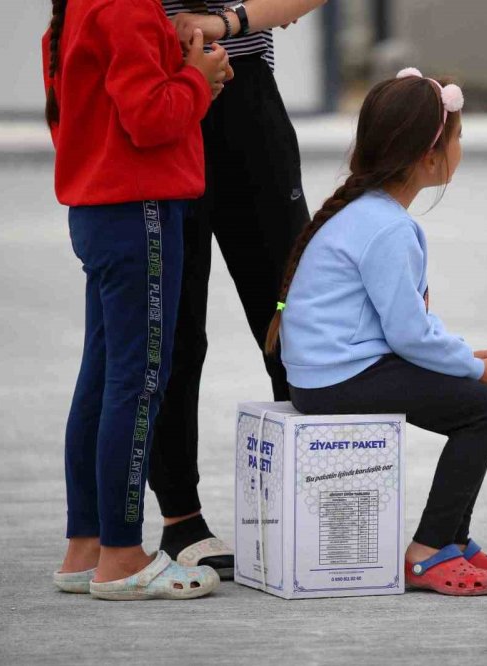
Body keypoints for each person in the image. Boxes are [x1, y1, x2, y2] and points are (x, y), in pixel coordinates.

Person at [268, 69, 487, 596]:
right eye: (457, 138)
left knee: (474, 395)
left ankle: (454, 540)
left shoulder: (367, 214)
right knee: (484, 409)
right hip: (339, 380)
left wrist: (462, 357)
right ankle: (431, 550)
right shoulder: (388, 228)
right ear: (430, 156)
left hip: (331, 372)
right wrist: (475, 368)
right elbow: (409, 336)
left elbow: (403, 330)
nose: (460, 148)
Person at [43, 0, 232, 600]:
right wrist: (197, 81)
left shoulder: (81, 6)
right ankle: (122, 555)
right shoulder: (126, 6)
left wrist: (182, 76)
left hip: (101, 208)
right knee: (141, 377)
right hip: (139, 208)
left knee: (104, 376)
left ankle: (88, 544)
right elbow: (150, 119)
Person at [147, 0, 325, 581]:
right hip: (165, 91)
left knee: (289, 307)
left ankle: (313, 499)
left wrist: (228, 22)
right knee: (176, 325)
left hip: (245, 94)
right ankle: (182, 517)